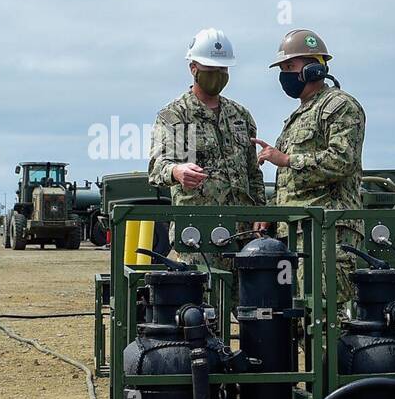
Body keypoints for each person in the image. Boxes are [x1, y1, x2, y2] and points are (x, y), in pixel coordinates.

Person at [254, 29, 366, 314]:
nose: (285, 75)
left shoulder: (340, 106)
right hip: (297, 236)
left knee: (327, 321)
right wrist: (270, 216)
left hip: (328, 237)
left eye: (290, 67)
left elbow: (343, 160)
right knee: (302, 321)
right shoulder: (299, 115)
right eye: (282, 69)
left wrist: (288, 159)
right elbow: (291, 185)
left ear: (314, 68)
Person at [147, 28, 266, 277]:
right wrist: (177, 171)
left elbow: (253, 174)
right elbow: (157, 167)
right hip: (197, 235)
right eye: (211, 69)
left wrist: (261, 213)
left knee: (251, 309)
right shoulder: (176, 116)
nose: (218, 76)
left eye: (223, 70)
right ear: (193, 68)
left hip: (243, 234)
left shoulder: (240, 116)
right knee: (202, 310)